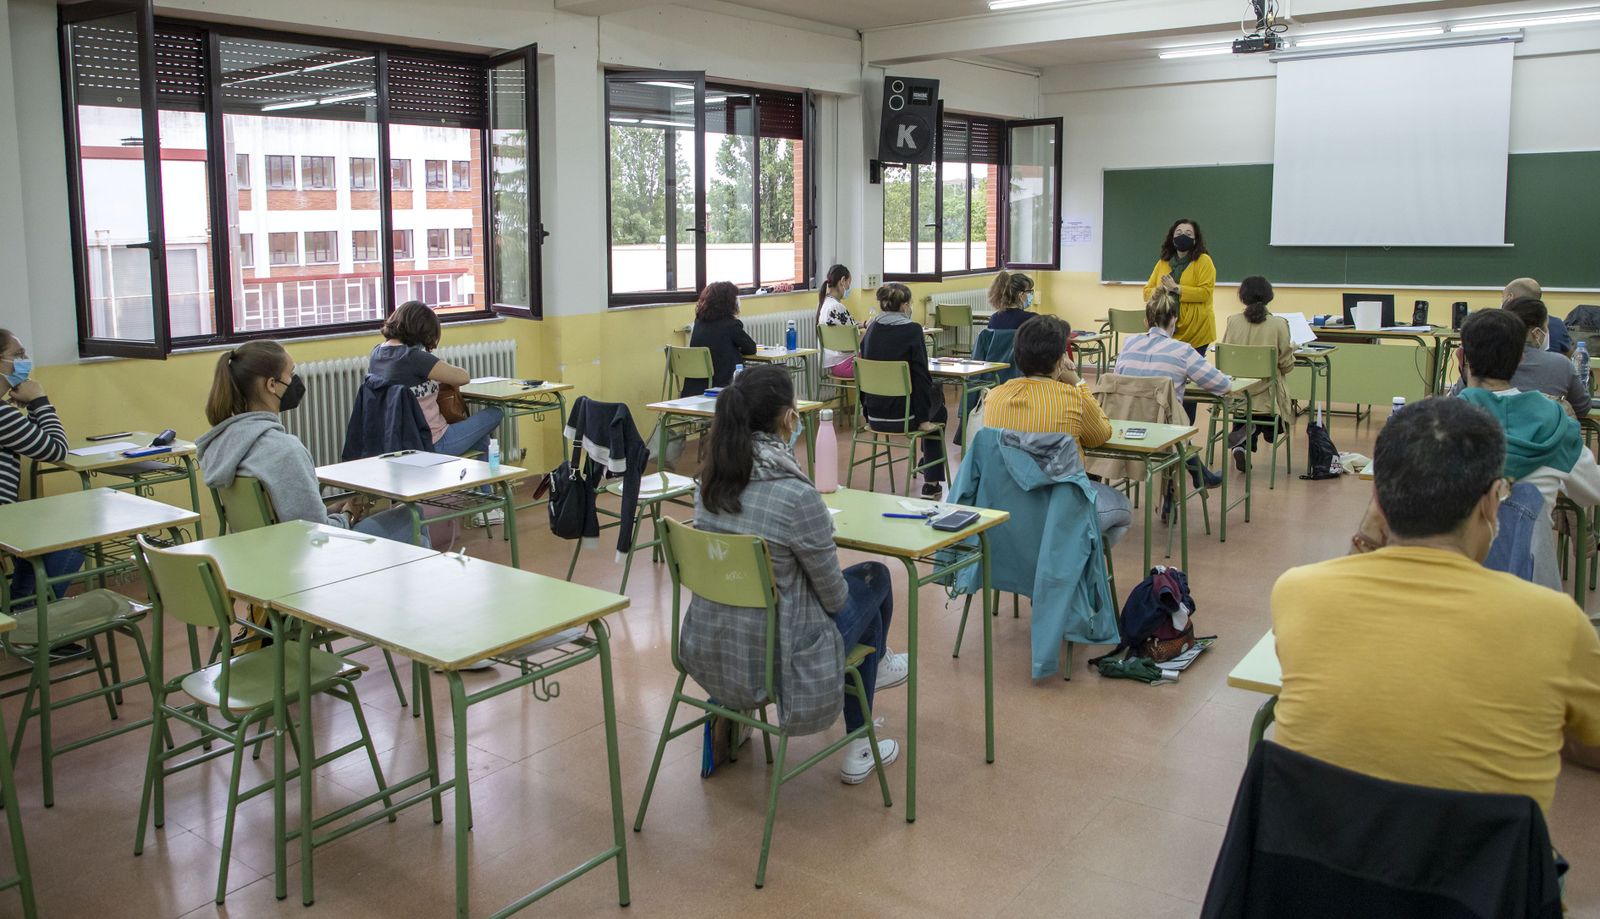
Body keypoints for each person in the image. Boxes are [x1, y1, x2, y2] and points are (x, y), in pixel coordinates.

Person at [1272, 395, 1600, 819]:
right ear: (1489, 503)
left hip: (1327, 871)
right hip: (1480, 879)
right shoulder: (1555, 622)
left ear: (1379, 501)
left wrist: (1372, 528)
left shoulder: (1297, 592)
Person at [681, 364, 908, 784]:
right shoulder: (796, 496)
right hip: (778, 657)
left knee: (862, 597)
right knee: (875, 581)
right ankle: (859, 739)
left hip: (713, 643)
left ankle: (880, 678)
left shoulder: (707, 485)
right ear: (790, 419)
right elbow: (835, 599)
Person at [197, 340, 424, 546]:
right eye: (291, 373)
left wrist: (333, 511)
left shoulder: (221, 445)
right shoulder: (284, 450)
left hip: (261, 552)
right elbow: (316, 533)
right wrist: (346, 516)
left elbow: (288, 515)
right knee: (412, 517)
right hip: (306, 560)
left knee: (416, 536)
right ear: (271, 385)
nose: (295, 381)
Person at [1454, 309, 1600, 591]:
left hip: (1453, 588)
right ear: (1521, 357)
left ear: (1461, 357)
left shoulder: (1431, 425)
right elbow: (1592, 489)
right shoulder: (1557, 424)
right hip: (1531, 592)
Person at [981, 315, 1131, 546]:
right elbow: (1101, 435)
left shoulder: (994, 396)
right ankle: (1076, 563)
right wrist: (1078, 383)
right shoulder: (1072, 397)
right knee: (1123, 508)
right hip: (1060, 510)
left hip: (1006, 505)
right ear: (1060, 359)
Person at [1114, 286, 1230, 488]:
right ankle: (1185, 485)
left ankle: (1198, 477)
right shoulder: (1182, 350)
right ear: (1174, 319)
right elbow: (1222, 385)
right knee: (1173, 423)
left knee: (1169, 423)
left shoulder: (1128, 343)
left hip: (1125, 427)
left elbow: (1118, 379)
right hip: (1162, 431)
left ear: (1146, 320)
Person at [0, 329, 84, 604]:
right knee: (73, 535)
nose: (25, 361)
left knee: (39, 532)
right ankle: (34, 618)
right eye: (18, 355)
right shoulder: (2, 416)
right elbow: (56, 450)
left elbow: (36, 444)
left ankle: (23, 610)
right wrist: (39, 400)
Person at [367, 300, 504, 455]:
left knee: (481, 439)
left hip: (396, 442)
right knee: (495, 413)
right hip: (432, 442)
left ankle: (482, 480)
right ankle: (488, 478)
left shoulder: (376, 353)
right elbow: (463, 377)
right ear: (422, 331)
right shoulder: (415, 358)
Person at [859, 282, 946, 498]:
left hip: (874, 416)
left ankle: (927, 464)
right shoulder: (912, 330)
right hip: (905, 417)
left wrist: (866, 411)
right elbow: (920, 377)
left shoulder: (871, 329)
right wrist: (924, 418)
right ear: (905, 305)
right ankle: (931, 481)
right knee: (939, 405)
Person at [1221, 276, 1296, 471]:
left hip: (1237, 395)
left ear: (1242, 297)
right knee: (1271, 404)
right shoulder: (1279, 324)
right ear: (1269, 296)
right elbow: (1286, 365)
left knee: (1248, 407)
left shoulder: (1233, 322)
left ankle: (1242, 442)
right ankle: (1256, 433)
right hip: (1267, 397)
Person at [1141, 218, 1217, 355]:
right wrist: (1161, 289)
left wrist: (1176, 288)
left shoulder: (1204, 261)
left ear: (1195, 240)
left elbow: (1205, 293)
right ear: (1172, 238)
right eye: (1179, 232)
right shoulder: (1163, 262)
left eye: (1188, 234)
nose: (1183, 236)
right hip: (1166, 328)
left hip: (1197, 331)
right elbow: (1146, 293)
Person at [1503, 298, 1589, 416]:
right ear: (1537, 333)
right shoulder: (1561, 364)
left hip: (1498, 432)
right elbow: (1582, 407)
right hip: (1550, 433)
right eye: (1546, 327)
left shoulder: (1488, 361)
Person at [683, 281, 757, 397]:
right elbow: (751, 348)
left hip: (694, 388)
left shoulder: (698, 323)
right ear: (729, 303)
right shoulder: (731, 325)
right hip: (723, 387)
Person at [1506, 277, 1571, 356]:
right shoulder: (1557, 323)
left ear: (1509, 297)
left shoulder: (1501, 323)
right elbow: (1569, 355)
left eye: (1502, 296)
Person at [816, 264, 856, 378]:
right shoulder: (836, 307)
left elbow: (841, 327)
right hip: (847, 365)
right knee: (880, 355)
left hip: (834, 364)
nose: (849, 287)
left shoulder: (824, 303)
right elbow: (852, 342)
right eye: (849, 283)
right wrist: (868, 332)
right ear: (843, 281)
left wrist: (863, 325)